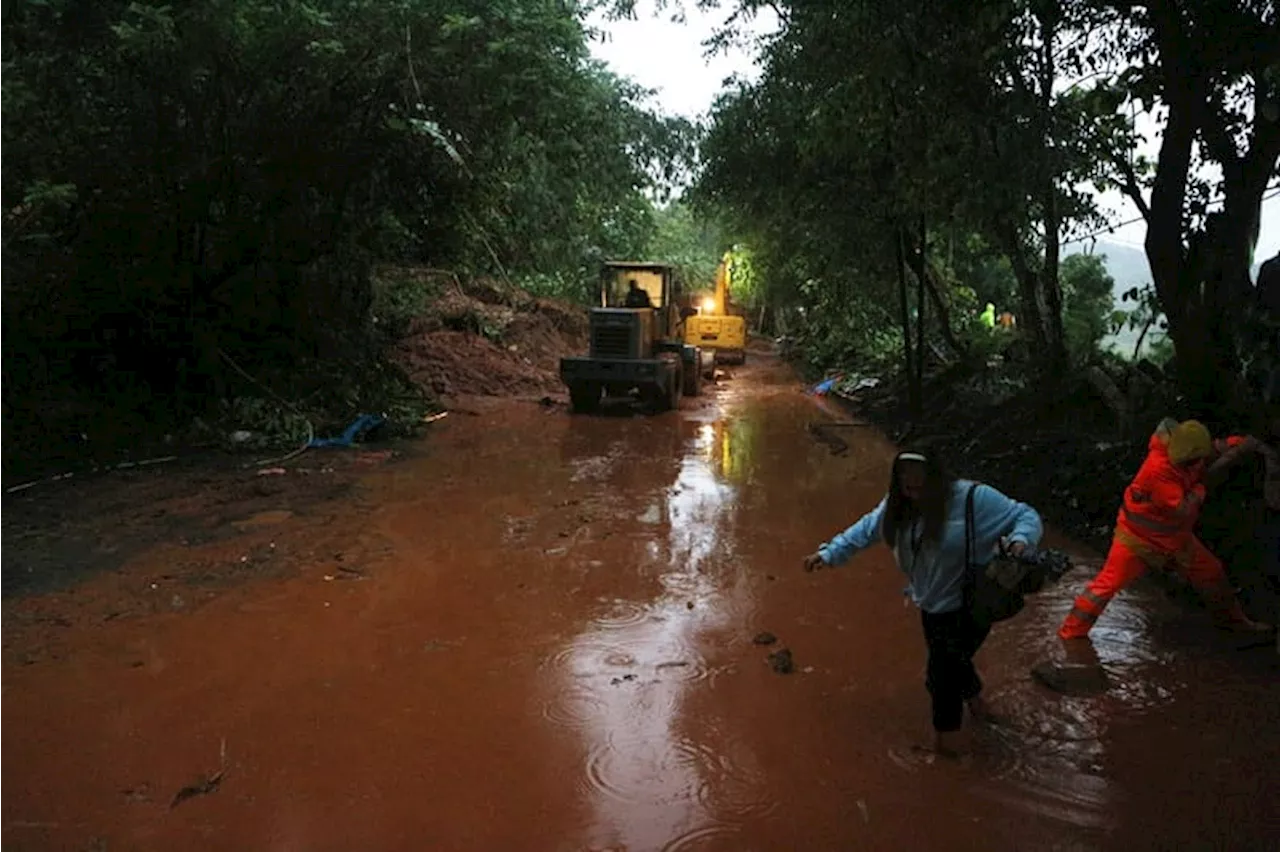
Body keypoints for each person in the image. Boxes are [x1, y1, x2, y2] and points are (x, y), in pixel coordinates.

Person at [803, 448, 1043, 757]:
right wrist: (828, 554)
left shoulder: (973, 498)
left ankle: (948, 746)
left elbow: (1026, 515)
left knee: (940, 675)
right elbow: (865, 530)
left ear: (938, 479)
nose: (914, 493)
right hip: (934, 604)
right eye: (907, 487)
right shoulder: (898, 506)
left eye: (920, 487)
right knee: (953, 661)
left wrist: (1021, 540)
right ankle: (978, 704)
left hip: (975, 601)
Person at [1058, 419, 1273, 640]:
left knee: (1212, 574)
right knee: (1104, 587)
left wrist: (1237, 444)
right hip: (1136, 540)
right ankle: (1070, 633)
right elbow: (1183, 509)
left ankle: (1235, 625)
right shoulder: (1158, 469)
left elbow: (1214, 449)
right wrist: (1201, 488)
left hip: (1175, 539)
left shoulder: (1190, 447)